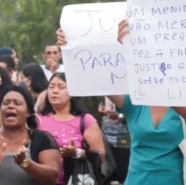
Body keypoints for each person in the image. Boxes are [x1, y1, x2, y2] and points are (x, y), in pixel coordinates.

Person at [58, 21, 186, 185]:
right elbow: (98, 80)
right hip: (136, 180)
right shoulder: (137, 102)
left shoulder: (179, 103)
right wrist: (72, 49)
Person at [0, 85, 60, 185]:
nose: (11, 106)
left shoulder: (42, 139)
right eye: (6, 103)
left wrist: (26, 163)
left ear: (28, 112)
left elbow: (52, 177)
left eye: (17, 103)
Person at [38, 72, 105, 185]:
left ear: (73, 92)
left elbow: (101, 156)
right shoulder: (37, 119)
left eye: (61, 87)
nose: (54, 91)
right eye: (51, 86)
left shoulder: (86, 120)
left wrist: (77, 153)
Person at [98, 97, 130, 183]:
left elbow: (135, 114)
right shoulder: (106, 92)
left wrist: (118, 115)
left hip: (124, 138)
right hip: (106, 136)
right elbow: (102, 105)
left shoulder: (128, 93)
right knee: (107, 169)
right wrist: (101, 108)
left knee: (123, 171)